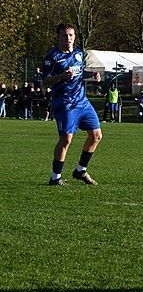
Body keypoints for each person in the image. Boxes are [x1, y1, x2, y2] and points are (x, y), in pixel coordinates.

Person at [42, 23, 102, 186]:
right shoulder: (52, 56)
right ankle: (55, 177)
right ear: (58, 37)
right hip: (65, 104)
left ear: (74, 37)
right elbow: (45, 81)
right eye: (64, 35)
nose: (68, 38)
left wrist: (92, 74)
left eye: (71, 35)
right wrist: (61, 76)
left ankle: (80, 170)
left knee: (96, 135)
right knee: (66, 139)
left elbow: (79, 73)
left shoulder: (78, 53)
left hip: (82, 102)